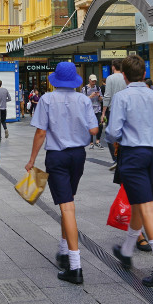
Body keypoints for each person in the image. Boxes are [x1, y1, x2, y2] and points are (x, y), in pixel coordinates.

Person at [105, 54, 153, 290]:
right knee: (139, 203)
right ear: (144, 74)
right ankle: (126, 250)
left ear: (123, 76)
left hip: (133, 154)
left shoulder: (122, 97)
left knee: (145, 208)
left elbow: (113, 132)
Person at [26, 62, 99, 284]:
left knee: (67, 206)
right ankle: (63, 247)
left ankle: (74, 265)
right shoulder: (85, 100)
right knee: (68, 201)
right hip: (78, 156)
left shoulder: (47, 99)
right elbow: (94, 130)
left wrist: (31, 160)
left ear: (55, 80)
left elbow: (40, 132)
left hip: (57, 157)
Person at [102, 60, 126, 169]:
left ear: (113, 67)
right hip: (126, 110)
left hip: (113, 110)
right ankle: (123, 157)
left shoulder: (110, 78)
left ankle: (116, 158)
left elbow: (107, 96)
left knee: (111, 135)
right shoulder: (125, 77)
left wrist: (103, 113)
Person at [82, 75, 103, 148]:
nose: (94, 82)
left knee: (100, 125)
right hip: (89, 109)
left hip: (97, 108)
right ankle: (91, 142)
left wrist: (99, 96)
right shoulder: (85, 88)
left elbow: (101, 99)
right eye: (92, 81)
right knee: (90, 125)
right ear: (89, 80)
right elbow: (83, 100)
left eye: (95, 81)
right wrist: (91, 96)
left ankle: (97, 140)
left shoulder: (97, 88)